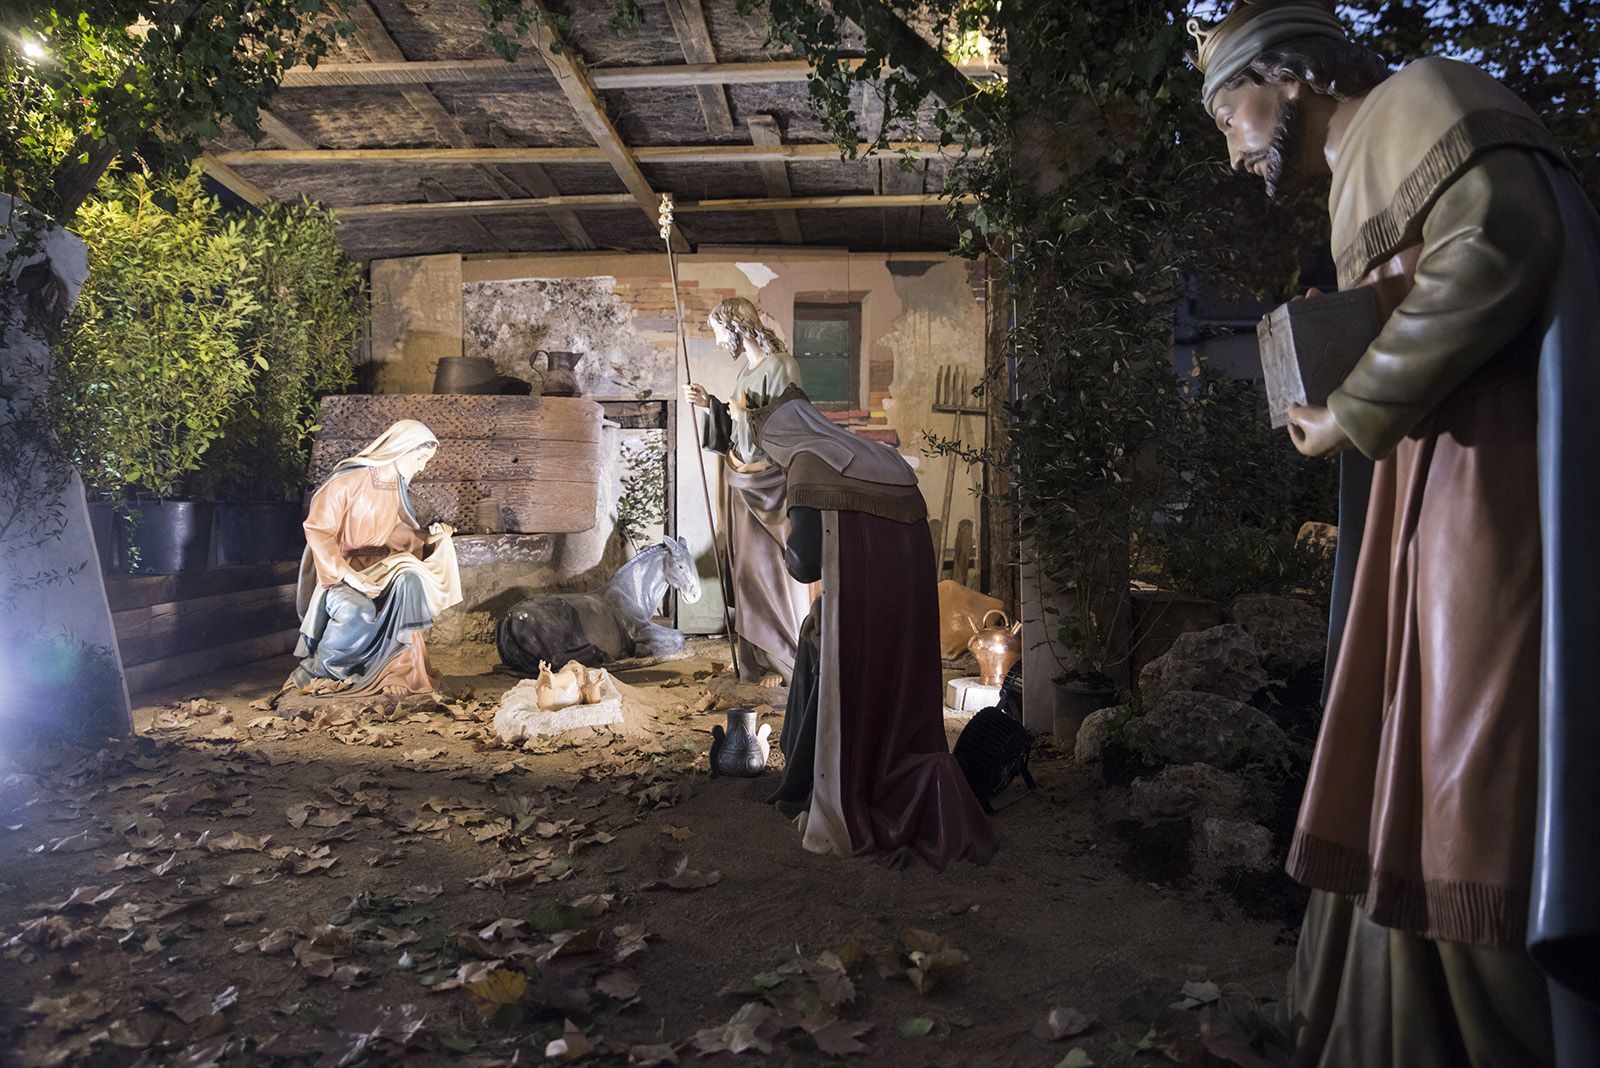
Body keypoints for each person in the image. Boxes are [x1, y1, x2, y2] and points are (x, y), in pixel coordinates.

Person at [1188, 2, 1600, 1064]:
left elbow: (1498, 245)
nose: (1233, 153)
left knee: (1476, 759)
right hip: (1435, 493)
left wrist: (1348, 408)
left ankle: (1491, 1035)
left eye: (1225, 115)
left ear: (1280, 73)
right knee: (1411, 740)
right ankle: (1386, 1022)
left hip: (1488, 491)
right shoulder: (1373, 159)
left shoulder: (1425, 98)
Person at [753, 385, 998, 871]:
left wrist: (782, 538)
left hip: (857, 615)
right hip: (906, 607)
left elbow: (804, 565)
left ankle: (809, 780)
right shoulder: (879, 457)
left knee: (816, 646)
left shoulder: (808, 462)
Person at [279, 419, 462, 701]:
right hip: (343, 575)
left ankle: (399, 669)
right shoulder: (346, 482)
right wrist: (350, 576)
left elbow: (397, 536)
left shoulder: (396, 489)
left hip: (380, 572)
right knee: (360, 612)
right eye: (420, 458)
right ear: (401, 449)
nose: (422, 467)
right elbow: (319, 531)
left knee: (410, 579)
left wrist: (429, 538)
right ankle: (319, 671)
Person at [683, 297, 810, 687]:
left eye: (720, 332)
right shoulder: (745, 373)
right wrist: (713, 407)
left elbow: (794, 421)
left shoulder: (781, 366)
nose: (720, 341)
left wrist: (742, 414)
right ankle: (757, 660)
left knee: (771, 569)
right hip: (742, 484)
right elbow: (740, 428)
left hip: (771, 489)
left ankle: (786, 658)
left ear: (736, 326)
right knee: (746, 572)